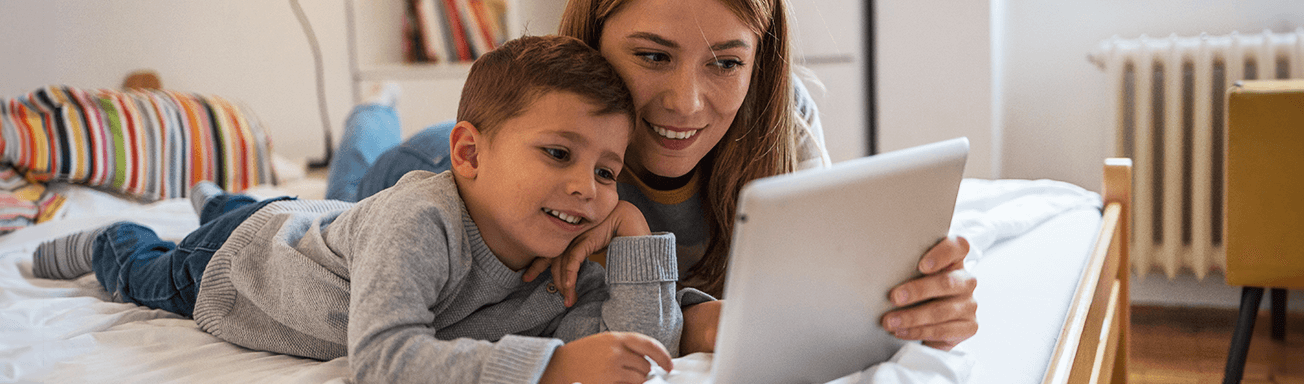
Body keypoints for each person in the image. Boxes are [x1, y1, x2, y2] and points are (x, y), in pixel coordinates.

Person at [30, 35, 710, 384]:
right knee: (152, 267)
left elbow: (651, 350)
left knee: (264, 208)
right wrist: (549, 369)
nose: (586, 189)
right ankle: (108, 240)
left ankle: (223, 199)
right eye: (558, 154)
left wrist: (633, 232)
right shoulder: (424, 221)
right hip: (238, 267)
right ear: (468, 155)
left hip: (313, 223)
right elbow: (384, 359)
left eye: (606, 171)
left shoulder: (566, 238)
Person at [327, 0, 978, 355]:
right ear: (594, 38)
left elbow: (819, 276)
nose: (687, 103)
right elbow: (468, 330)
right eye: (651, 55)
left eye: (726, 62)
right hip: (422, 158)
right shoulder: (461, 193)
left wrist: (908, 302)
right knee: (347, 183)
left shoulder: (782, 117)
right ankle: (371, 119)